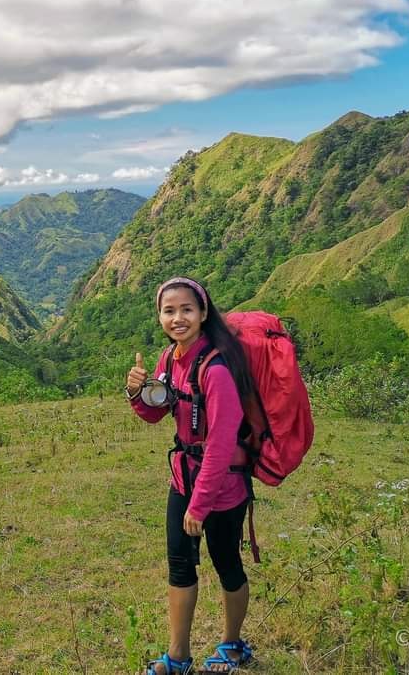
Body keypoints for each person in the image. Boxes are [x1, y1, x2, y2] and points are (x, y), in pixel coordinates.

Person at [126, 277, 256, 675]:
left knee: (226, 564)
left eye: (186, 309)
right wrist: (136, 393)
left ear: (202, 313)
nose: (177, 318)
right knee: (180, 566)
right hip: (184, 479)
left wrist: (199, 506)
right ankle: (177, 657)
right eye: (169, 311)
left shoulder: (215, 369)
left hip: (222, 487)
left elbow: (220, 444)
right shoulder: (170, 358)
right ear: (159, 317)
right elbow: (157, 412)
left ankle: (233, 645)